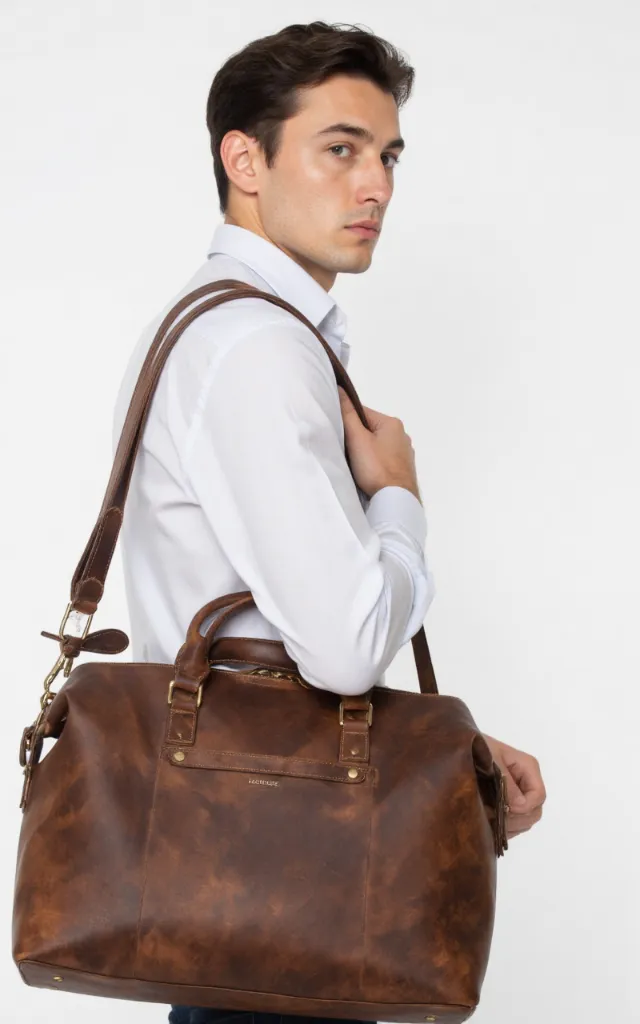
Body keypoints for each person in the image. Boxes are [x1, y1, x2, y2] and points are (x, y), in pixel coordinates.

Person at [111, 20, 547, 1024]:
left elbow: (268, 653)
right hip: (280, 907)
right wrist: (396, 496)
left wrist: (452, 750)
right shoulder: (256, 346)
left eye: (387, 156)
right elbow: (342, 653)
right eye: (341, 148)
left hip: (245, 871)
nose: (377, 187)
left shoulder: (213, 325)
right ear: (245, 159)